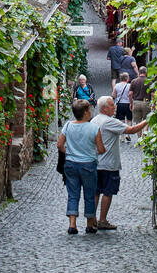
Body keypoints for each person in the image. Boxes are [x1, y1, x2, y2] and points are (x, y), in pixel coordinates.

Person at [94, 94, 150, 229]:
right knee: (108, 191)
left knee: (95, 192)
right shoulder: (109, 121)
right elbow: (131, 130)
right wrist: (147, 120)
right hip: (109, 163)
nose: (115, 107)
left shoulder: (94, 120)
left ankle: (92, 219)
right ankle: (102, 220)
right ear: (105, 108)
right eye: (112, 105)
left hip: (96, 162)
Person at [57, 101, 102, 235]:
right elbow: (101, 148)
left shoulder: (68, 125)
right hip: (88, 165)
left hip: (71, 163)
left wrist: (70, 152)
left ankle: (72, 224)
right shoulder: (94, 128)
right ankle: (89, 224)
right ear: (86, 112)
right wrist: (91, 153)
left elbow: (59, 145)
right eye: (90, 110)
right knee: (89, 194)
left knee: (72, 194)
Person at [129, 65, 151, 142]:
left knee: (138, 122)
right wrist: (154, 104)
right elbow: (153, 94)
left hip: (136, 102)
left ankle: (139, 139)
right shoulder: (149, 81)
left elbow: (130, 94)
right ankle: (145, 131)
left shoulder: (134, 81)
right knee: (147, 119)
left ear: (139, 72)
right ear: (146, 73)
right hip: (146, 102)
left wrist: (131, 103)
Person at [112, 71, 133, 140]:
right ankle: (128, 134)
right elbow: (131, 95)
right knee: (129, 120)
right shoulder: (129, 85)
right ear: (127, 78)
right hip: (128, 104)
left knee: (121, 120)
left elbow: (113, 95)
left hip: (120, 104)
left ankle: (122, 136)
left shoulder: (117, 85)